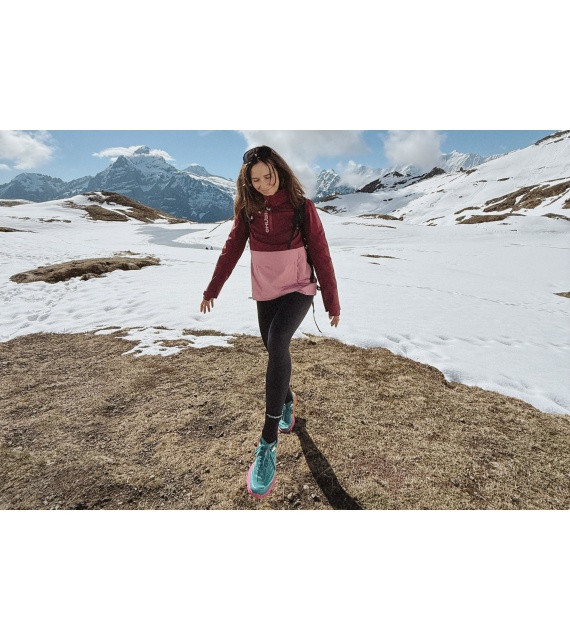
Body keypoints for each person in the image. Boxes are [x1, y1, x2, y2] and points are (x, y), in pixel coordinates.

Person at [200, 145, 340, 499]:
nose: (264, 184)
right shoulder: (248, 210)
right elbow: (232, 249)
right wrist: (212, 289)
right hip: (265, 290)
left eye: (268, 176)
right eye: (256, 180)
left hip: (299, 287)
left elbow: (321, 252)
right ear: (247, 183)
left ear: (280, 170)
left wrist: (331, 300)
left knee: (278, 342)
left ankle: (267, 443)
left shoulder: (301, 207)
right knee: (273, 349)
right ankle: (287, 401)